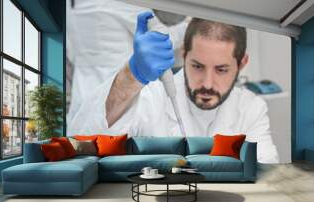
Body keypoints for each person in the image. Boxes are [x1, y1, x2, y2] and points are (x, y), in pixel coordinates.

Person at [68, 12, 279, 163]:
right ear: (184, 54)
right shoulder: (151, 98)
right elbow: (81, 144)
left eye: (221, 70)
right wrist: (131, 75)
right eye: (197, 66)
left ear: (241, 64)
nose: (207, 83)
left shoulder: (252, 107)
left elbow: (264, 171)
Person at [66, 0, 188, 121]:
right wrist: (189, 24)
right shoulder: (124, 3)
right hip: (124, 90)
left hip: (82, 93)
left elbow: (71, 53)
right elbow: (159, 41)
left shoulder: (69, 5)